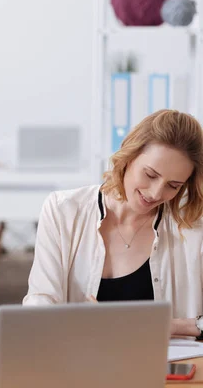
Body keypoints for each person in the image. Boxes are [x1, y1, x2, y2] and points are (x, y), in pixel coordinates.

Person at [24, 109, 203, 338]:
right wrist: (68, 320)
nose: (156, 193)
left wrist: (173, 326)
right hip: (75, 366)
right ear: (128, 157)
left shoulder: (193, 229)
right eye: (150, 175)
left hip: (164, 371)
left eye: (174, 185)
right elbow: (40, 300)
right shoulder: (63, 210)